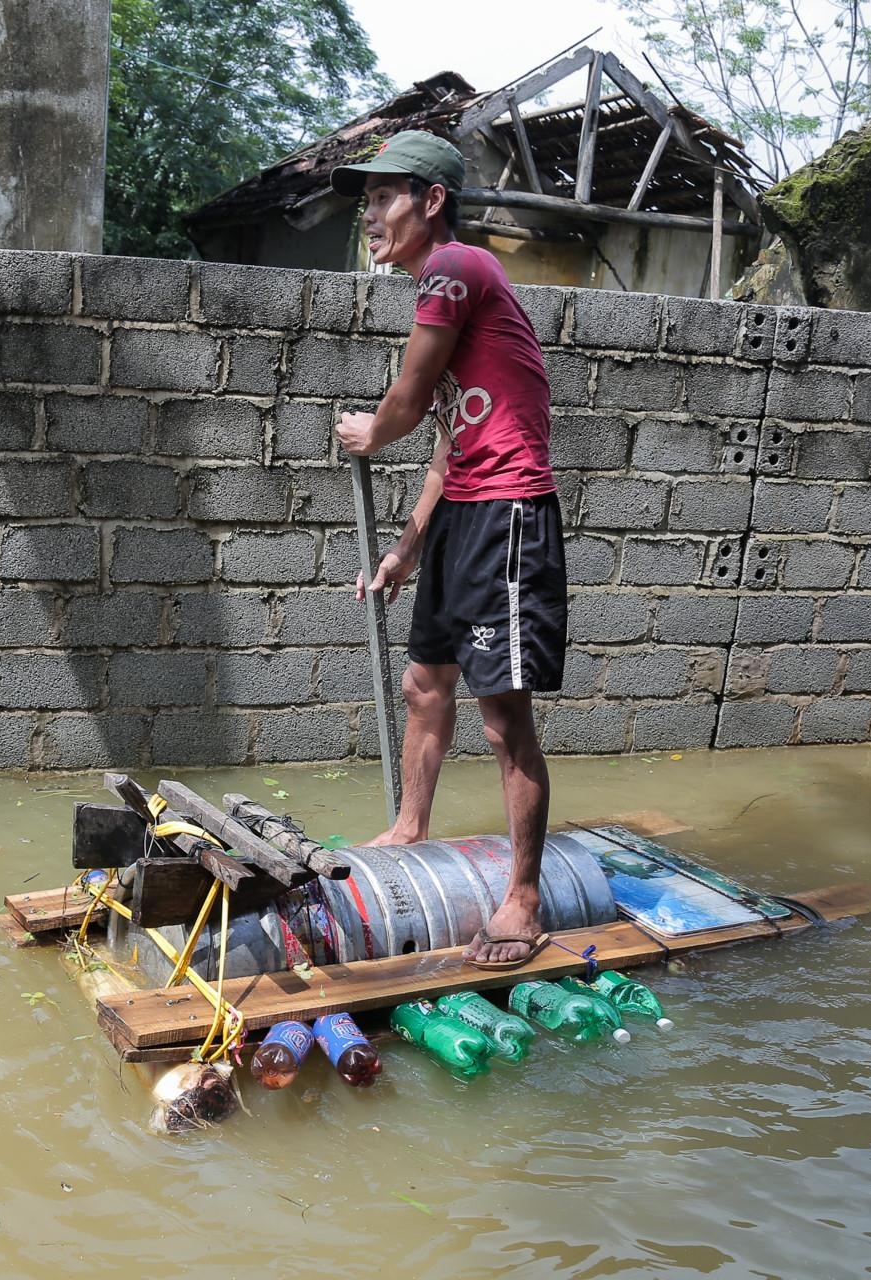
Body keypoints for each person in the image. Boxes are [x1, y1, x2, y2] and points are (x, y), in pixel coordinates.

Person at [330, 131, 566, 970]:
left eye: (387, 196)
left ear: (432, 202)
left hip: (510, 516)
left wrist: (371, 429)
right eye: (367, 200)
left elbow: (407, 399)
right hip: (465, 511)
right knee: (424, 682)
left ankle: (525, 897)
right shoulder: (445, 288)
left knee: (505, 720)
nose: (372, 214)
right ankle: (410, 826)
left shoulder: (455, 269)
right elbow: (444, 446)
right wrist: (402, 552)